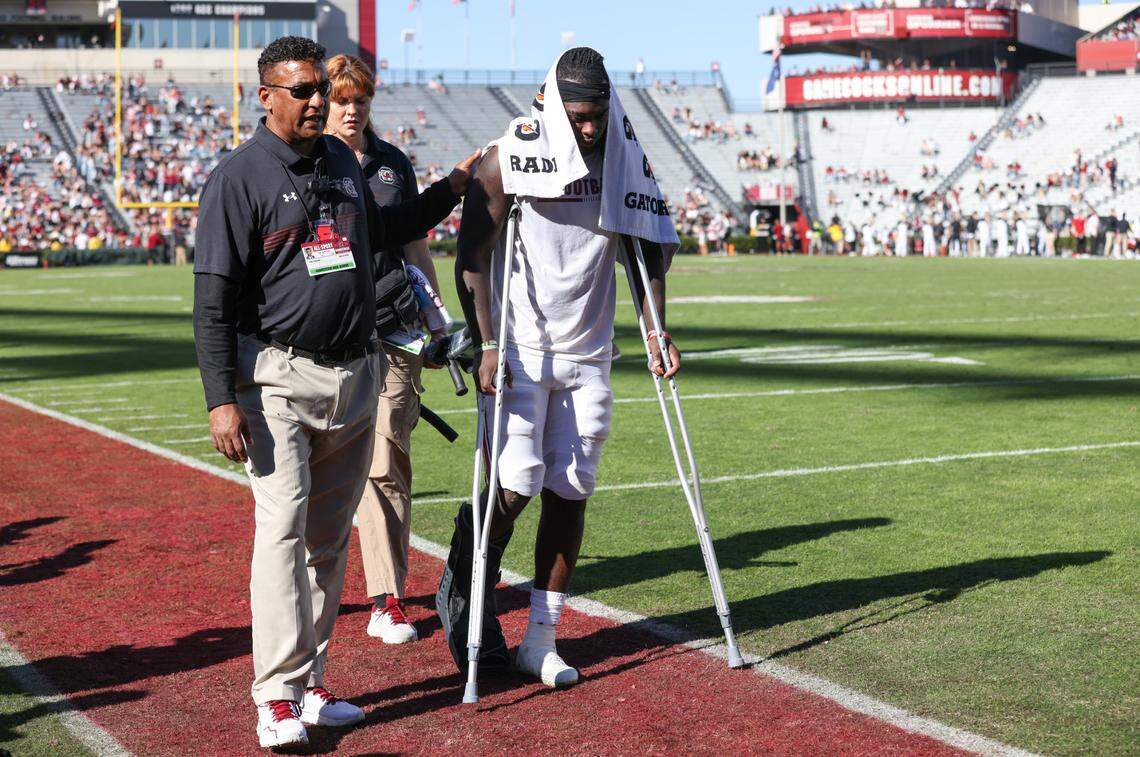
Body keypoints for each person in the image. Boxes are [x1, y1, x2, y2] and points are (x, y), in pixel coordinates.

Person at [192, 36, 477, 750]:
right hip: (279, 379)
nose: (319, 100)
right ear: (266, 97)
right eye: (303, 90)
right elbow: (213, 300)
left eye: (322, 87)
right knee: (283, 530)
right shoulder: (239, 177)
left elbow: (385, 231)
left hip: (356, 373)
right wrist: (220, 396)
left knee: (326, 542)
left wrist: (451, 189)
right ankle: (276, 695)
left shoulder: (347, 161)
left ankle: (313, 682)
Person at [439, 47, 681, 689]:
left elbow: (648, 253)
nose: (590, 129)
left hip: (590, 350)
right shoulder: (508, 156)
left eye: (598, 115)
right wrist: (487, 343)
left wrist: (658, 330)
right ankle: (468, 577)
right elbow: (472, 257)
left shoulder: (625, 155)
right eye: (578, 117)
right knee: (516, 480)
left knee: (572, 488)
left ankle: (540, 639)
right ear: (552, 105)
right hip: (520, 347)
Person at [323, 53, 438, 646]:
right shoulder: (309, 160)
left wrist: (437, 316)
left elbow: (415, 242)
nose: (350, 110)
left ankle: (386, 598)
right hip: (327, 336)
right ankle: (311, 583)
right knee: (322, 468)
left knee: (386, 460)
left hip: (395, 327)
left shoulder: (393, 163)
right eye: (341, 100)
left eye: (359, 100)